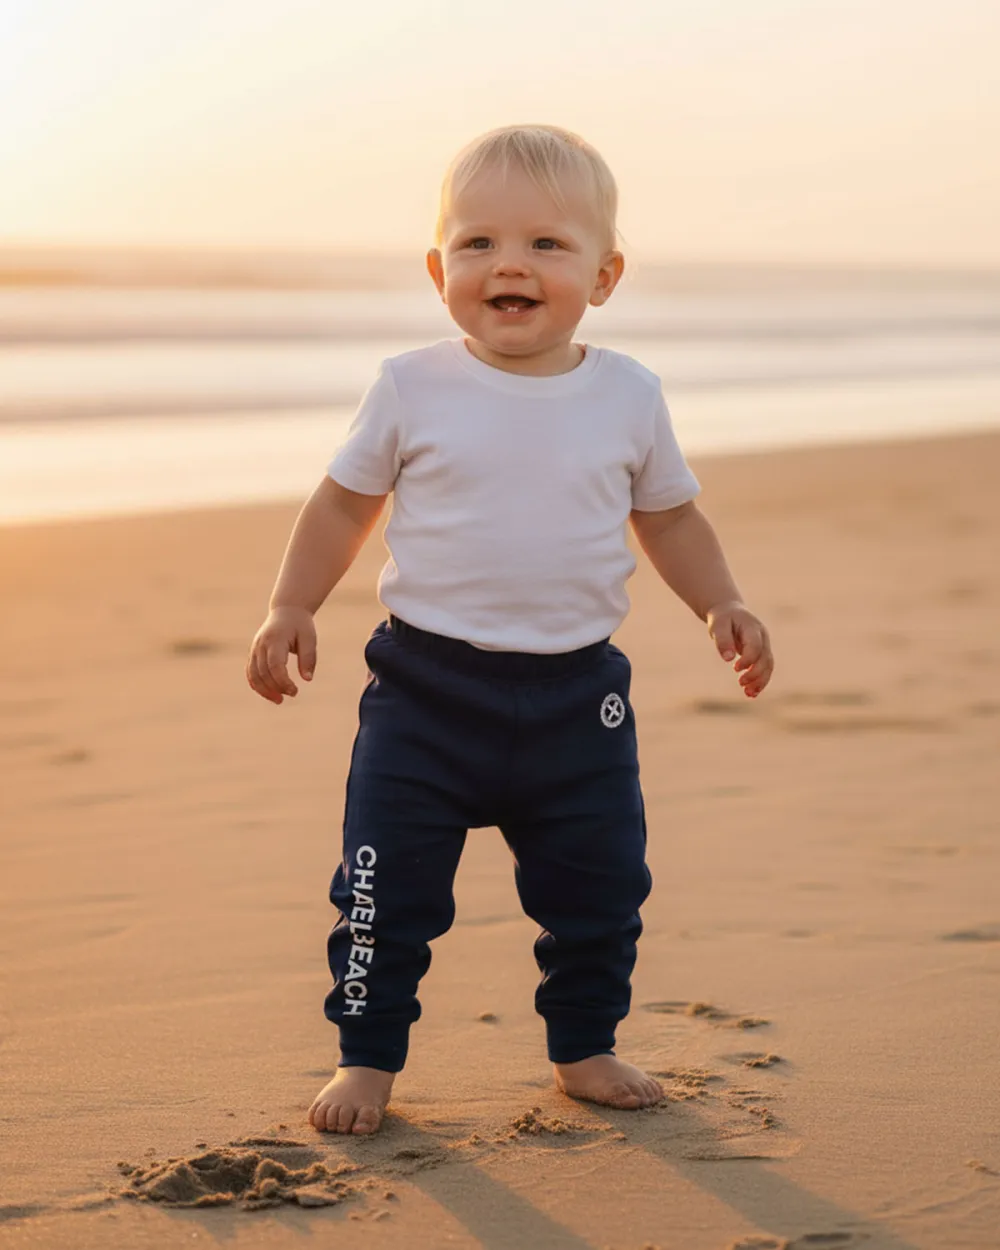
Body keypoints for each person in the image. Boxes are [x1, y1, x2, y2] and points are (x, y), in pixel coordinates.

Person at [246, 124, 773, 1137]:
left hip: (578, 700)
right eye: (478, 243)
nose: (510, 265)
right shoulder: (412, 385)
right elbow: (343, 503)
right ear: (439, 270)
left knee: (601, 889)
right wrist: (291, 604)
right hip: (424, 696)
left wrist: (721, 602)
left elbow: (668, 518)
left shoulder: (628, 395)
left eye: (546, 244)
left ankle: (583, 1044)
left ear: (604, 276)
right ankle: (366, 1055)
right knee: (380, 891)